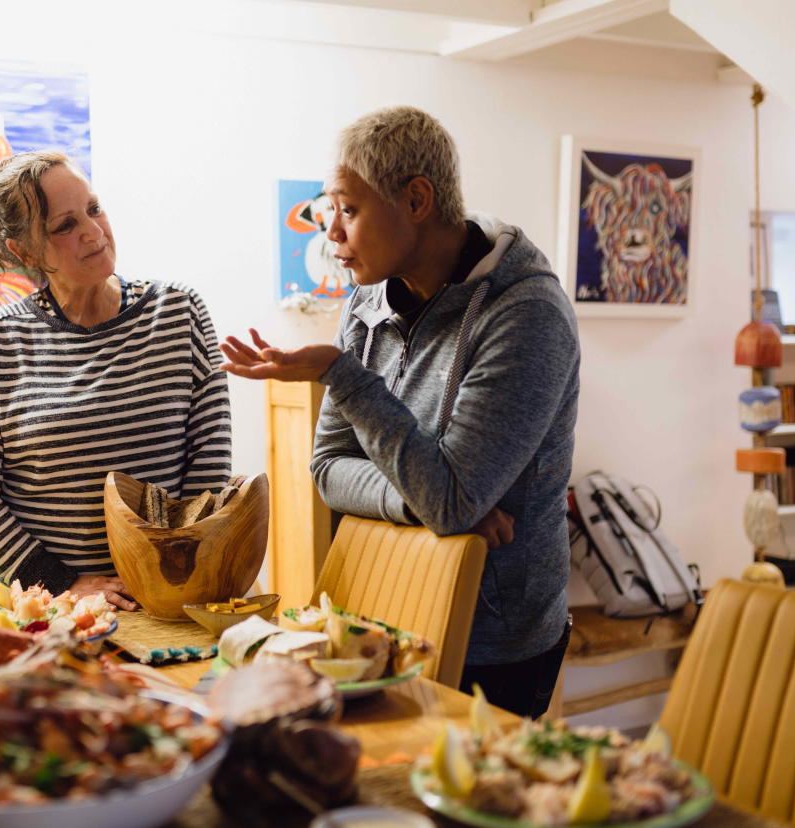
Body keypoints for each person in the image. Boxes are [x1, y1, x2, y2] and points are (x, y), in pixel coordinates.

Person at [220, 107, 579, 717]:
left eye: (350, 209)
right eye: (331, 208)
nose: (332, 233)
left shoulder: (525, 316)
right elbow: (329, 468)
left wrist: (341, 373)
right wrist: (422, 503)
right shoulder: (367, 298)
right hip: (381, 614)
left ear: (416, 200)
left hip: (493, 644)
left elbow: (451, 501)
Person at [0, 150, 232, 609]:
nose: (93, 233)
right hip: (59, 608)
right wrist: (57, 583)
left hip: (177, 594)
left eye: (93, 209)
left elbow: (209, 466)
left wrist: (169, 574)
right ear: (25, 251)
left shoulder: (179, 312)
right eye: (65, 226)